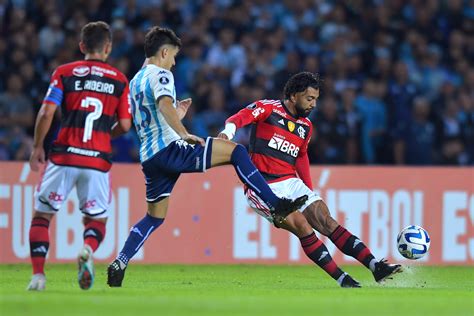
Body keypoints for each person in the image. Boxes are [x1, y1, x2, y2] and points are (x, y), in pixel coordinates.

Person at [107, 27, 307, 287]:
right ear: (164, 52)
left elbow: (151, 117)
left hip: (150, 157)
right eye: (173, 56)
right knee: (237, 151)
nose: (174, 62)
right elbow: (163, 105)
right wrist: (183, 131)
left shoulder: (135, 81)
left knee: (154, 216)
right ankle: (274, 202)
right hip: (171, 148)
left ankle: (120, 261)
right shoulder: (162, 74)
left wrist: (177, 114)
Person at [218, 72, 402, 288]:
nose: (314, 104)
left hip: (291, 182)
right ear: (294, 96)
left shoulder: (306, 126)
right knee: (303, 227)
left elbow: (301, 156)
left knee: (327, 221)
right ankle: (342, 279)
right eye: (309, 98)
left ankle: (375, 266)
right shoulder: (269, 108)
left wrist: (309, 191)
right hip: (262, 187)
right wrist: (228, 131)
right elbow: (241, 117)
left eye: (316, 99)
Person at [27, 21, 132, 291]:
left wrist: (38, 146)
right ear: (107, 48)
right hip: (97, 159)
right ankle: (87, 248)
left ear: (82, 46)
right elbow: (125, 125)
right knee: (97, 219)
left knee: (42, 216)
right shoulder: (119, 81)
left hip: (63, 157)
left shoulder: (64, 73)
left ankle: (38, 276)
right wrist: (103, 135)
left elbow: (47, 112)